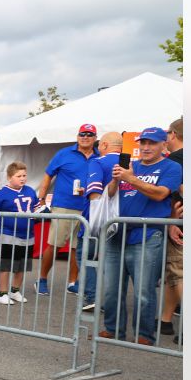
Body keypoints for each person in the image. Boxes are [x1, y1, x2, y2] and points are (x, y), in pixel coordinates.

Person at [100, 126, 182, 345]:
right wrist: (117, 180)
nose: (146, 147)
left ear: (164, 144)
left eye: (152, 143)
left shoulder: (172, 167)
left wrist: (131, 178)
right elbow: (110, 194)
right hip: (117, 234)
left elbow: (160, 194)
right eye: (143, 143)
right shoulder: (130, 165)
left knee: (144, 291)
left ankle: (144, 335)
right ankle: (113, 329)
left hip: (148, 235)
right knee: (111, 289)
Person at [35, 124, 98, 295]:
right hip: (63, 206)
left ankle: (72, 282)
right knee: (54, 244)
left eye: (89, 134)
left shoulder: (99, 156)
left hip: (88, 208)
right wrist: (41, 198)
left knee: (77, 248)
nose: (85, 137)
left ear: (95, 138)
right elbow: (48, 175)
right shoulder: (64, 153)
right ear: (77, 136)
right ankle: (41, 279)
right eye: (82, 134)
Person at [81, 132, 125, 312]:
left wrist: (94, 225)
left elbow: (95, 195)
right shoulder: (131, 164)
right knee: (113, 263)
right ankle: (112, 302)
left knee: (85, 256)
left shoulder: (97, 161)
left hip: (101, 221)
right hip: (124, 219)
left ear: (105, 145)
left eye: (100, 145)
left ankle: (92, 297)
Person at [0, 162, 38, 304]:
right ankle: (2, 293)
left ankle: (15, 290)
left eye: (24, 175)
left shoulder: (30, 191)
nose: (22, 178)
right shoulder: (1, 194)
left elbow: (36, 210)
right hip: (8, 235)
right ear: (10, 177)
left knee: (22, 265)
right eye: (18, 176)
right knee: (6, 265)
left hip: (28, 234)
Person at [159, 118, 183, 341]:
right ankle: (166, 320)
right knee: (173, 273)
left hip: (180, 222)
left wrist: (174, 219)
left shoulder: (175, 160)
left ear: (173, 134)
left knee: (179, 272)